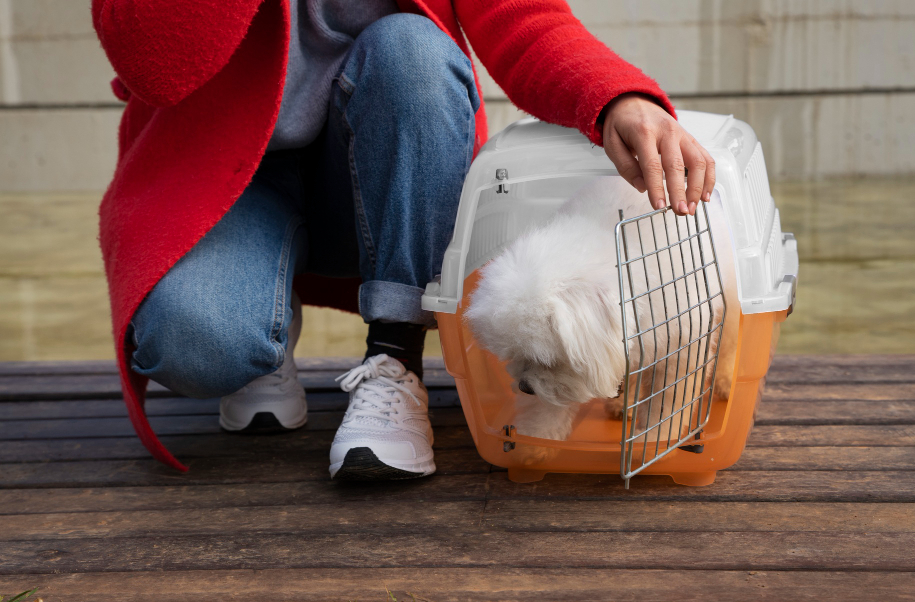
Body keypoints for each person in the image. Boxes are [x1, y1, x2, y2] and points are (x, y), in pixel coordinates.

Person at [92, 0, 717, 480]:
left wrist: (616, 97)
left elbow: (523, 17)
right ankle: (263, 326)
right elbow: (152, 66)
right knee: (196, 349)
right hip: (220, 176)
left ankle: (395, 361)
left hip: (383, 163)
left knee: (413, 49)